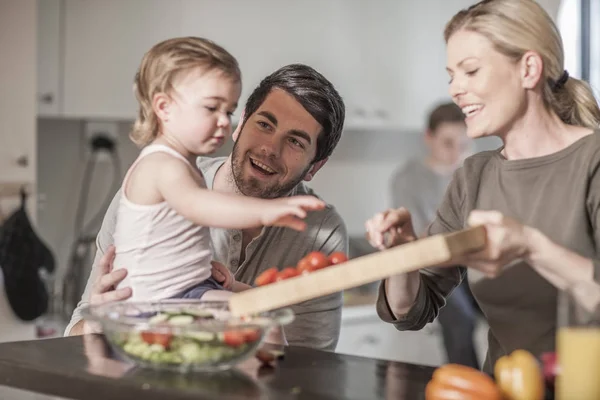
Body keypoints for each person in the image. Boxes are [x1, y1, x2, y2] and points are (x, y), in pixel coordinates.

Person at [365, 0, 600, 373]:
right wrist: (402, 255)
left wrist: (530, 244)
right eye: (451, 76)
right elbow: (412, 310)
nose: (456, 89)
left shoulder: (593, 160)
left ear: (528, 68)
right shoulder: (474, 175)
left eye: (470, 71)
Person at [66, 58, 348, 351]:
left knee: (264, 322)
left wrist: (233, 288)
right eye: (264, 124)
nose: (270, 149)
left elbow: (311, 367)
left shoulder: (322, 232)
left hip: (236, 366)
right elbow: (73, 339)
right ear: (242, 124)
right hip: (154, 319)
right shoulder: (160, 178)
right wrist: (98, 324)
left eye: (295, 142)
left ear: (315, 166)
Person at [389, 102, 479, 368]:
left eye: (463, 144)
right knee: (461, 318)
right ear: (428, 138)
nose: (456, 152)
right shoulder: (408, 179)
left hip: (472, 262)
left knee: (507, 307)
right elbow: (420, 237)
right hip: (433, 267)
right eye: (448, 143)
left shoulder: (472, 174)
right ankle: (468, 386)